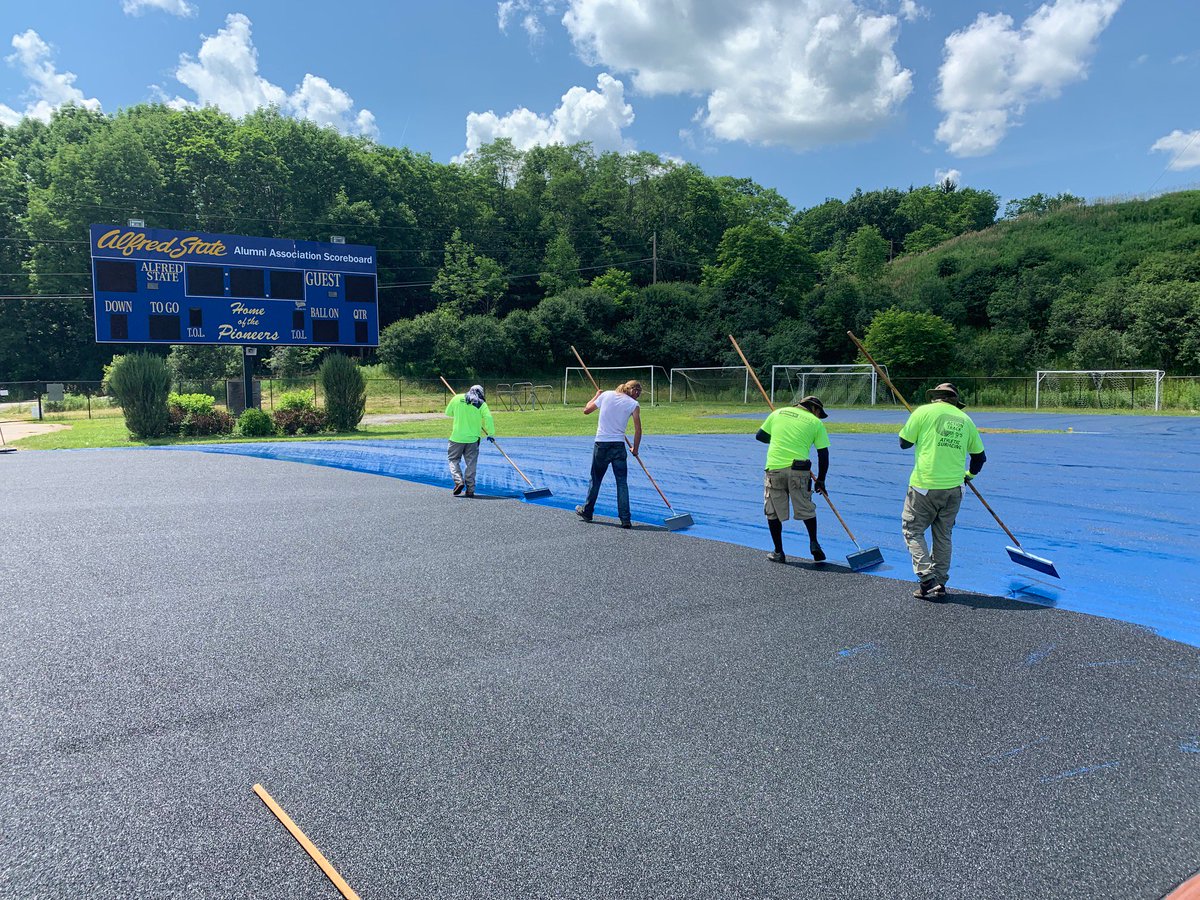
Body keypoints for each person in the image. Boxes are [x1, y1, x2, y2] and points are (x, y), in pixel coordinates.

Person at [898, 382, 987, 600]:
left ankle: (927, 576)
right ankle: (940, 582)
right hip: (955, 488)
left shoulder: (923, 412)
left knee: (912, 529)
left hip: (925, 486)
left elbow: (904, 443)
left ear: (935, 397)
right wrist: (969, 476)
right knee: (943, 535)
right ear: (955, 401)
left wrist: (918, 432)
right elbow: (980, 457)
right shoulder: (966, 420)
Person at [756, 395, 830, 564]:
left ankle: (778, 552)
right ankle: (814, 542)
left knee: (773, 510)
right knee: (806, 507)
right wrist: (821, 480)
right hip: (800, 470)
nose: (819, 416)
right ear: (814, 409)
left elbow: (760, 436)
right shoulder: (816, 423)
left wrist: (778, 439)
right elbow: (823, 454)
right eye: (820, 413)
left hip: (775, 469)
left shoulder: (778, 413)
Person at [575, 380, 642, 529]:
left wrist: (596, 395)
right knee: (622, 483)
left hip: (602, 445)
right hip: (618, 446)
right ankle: (625, 519)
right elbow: (638, 430)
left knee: (596, 479)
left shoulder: (606, 395)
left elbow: (586, 410)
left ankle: (587, 512)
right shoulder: (633, 405)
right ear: (631, 391)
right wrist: (635, 449)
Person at [445, 384, 495, 499]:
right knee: (471, 464)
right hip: (473, 439)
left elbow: (448, 413)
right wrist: (491, 433)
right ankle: (470, 490)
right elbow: (488, 418)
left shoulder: (456, 398)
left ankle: (458, 481)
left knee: (453, 460)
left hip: (456, 438)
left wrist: (459, 411)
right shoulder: (481, 403)